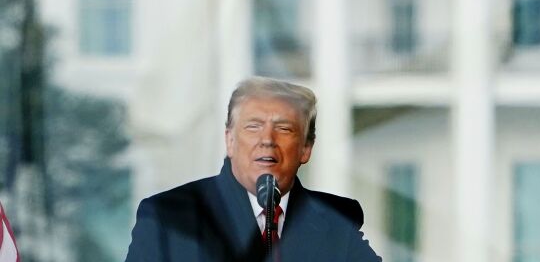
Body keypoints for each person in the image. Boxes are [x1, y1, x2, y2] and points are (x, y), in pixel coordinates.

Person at [125, 77, 382, 261]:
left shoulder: (336, 220)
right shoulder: (167, 216)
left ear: (305, 148)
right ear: (230, 141)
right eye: (253, 126)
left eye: (284, 128)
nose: (267, 139)